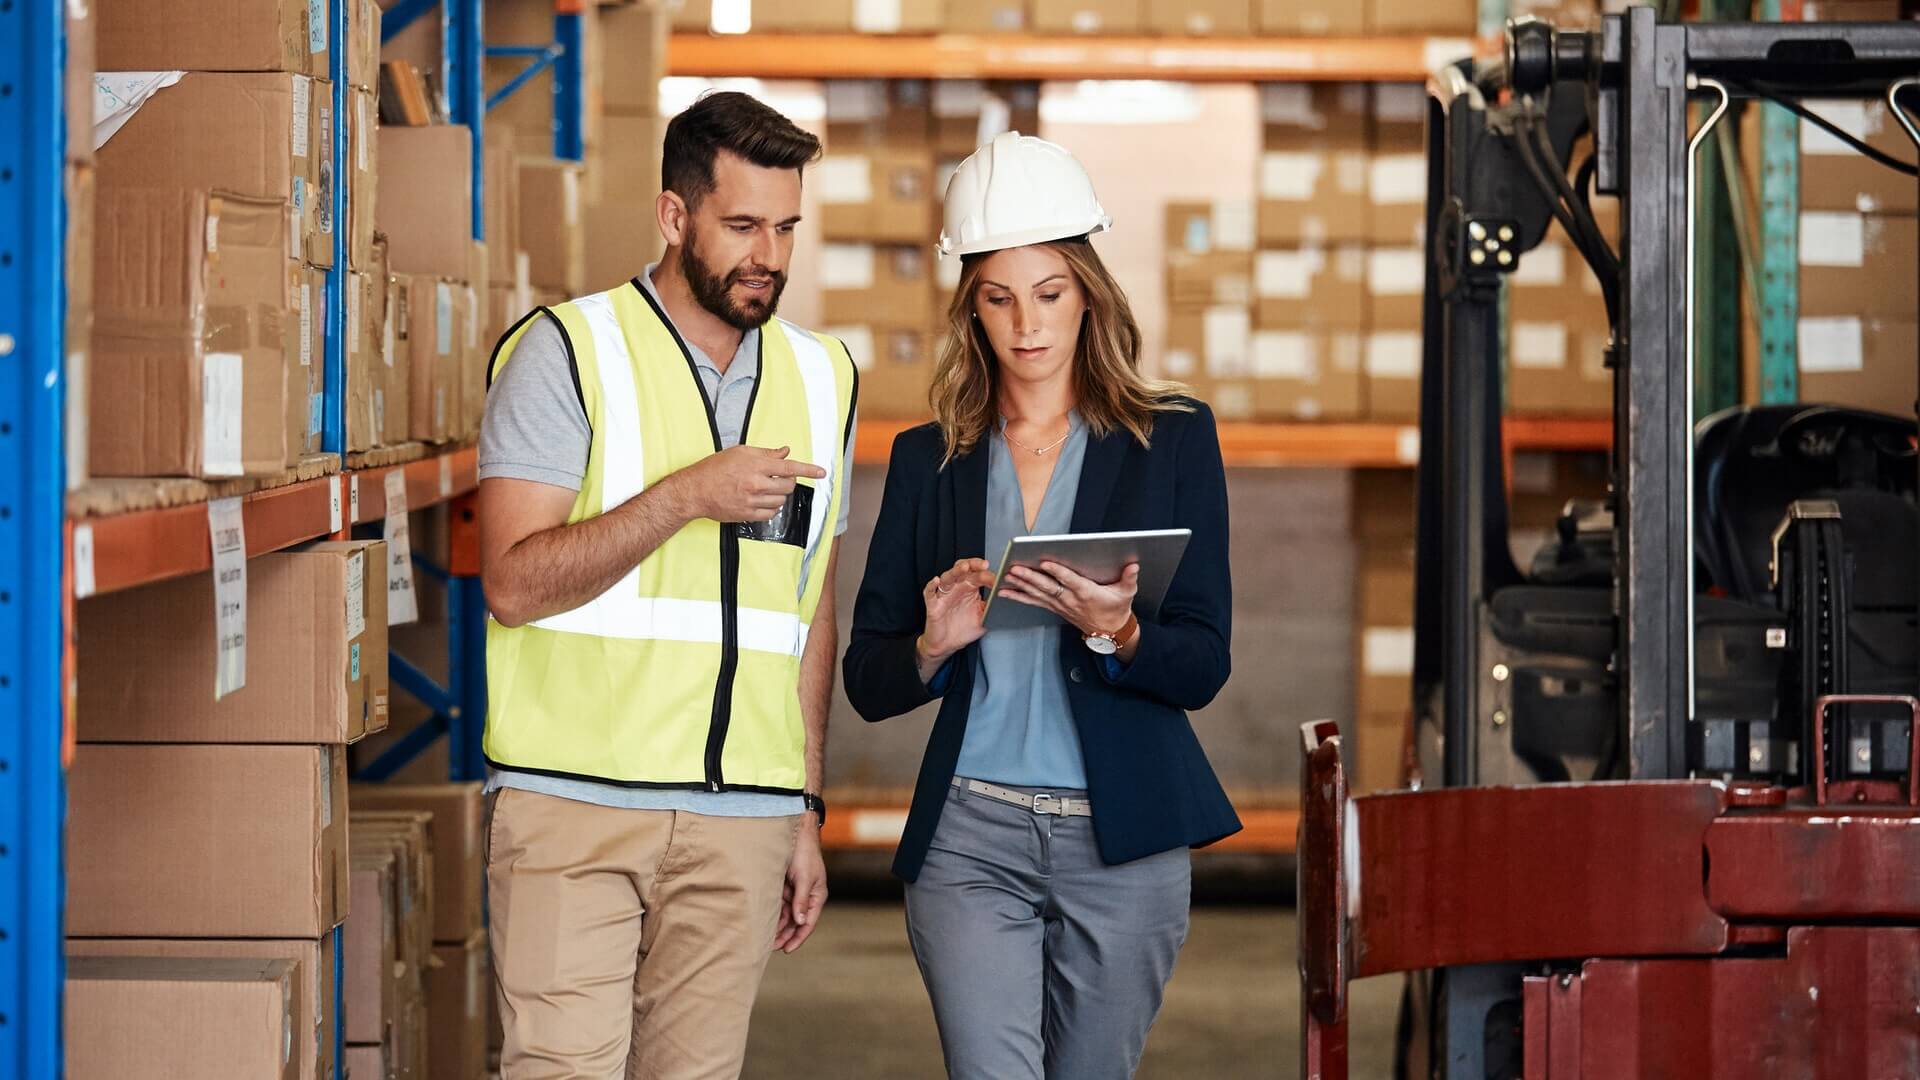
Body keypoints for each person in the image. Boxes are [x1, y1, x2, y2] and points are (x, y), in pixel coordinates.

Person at [841, 131, 1242, 1080]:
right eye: (999, 297)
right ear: (970, 307)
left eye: (1050, 293)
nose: (1027, 323)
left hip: (1125, 838)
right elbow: (869, 678)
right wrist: (933, 648)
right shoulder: (926, 459)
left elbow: (1206, 660)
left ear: (1089, 293)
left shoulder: (1172, 440)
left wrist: (1122, 631)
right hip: (971, 836)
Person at [476, 91, 857, 1080]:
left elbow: (809, 611)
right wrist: (684, 495)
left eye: (785, 227)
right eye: (741, 225)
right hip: (575, 806)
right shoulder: (564, 352)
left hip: (742, 818)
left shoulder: (824, 377)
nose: (767, 253)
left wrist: (804, 807)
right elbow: (513, 585)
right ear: (674, 216)